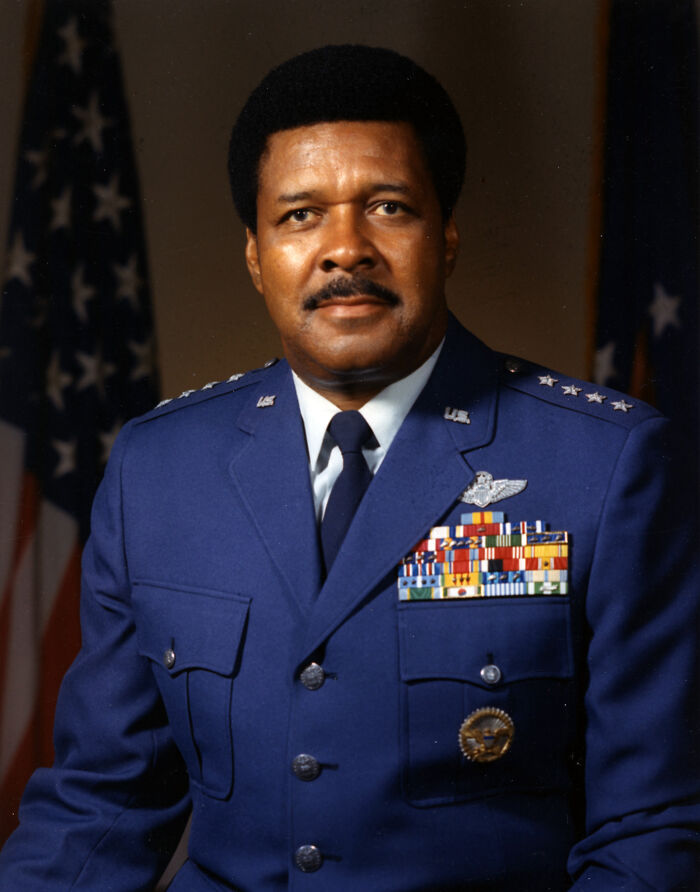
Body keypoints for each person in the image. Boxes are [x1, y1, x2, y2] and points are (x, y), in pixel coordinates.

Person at [0, 44, 698, 891]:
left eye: (388, 207)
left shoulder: (606, 466)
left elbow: (652, 831)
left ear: (446, 236)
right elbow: (100, 807)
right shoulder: (160, 468)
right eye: (300, 215)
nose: (345, 250)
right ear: (255, 255)